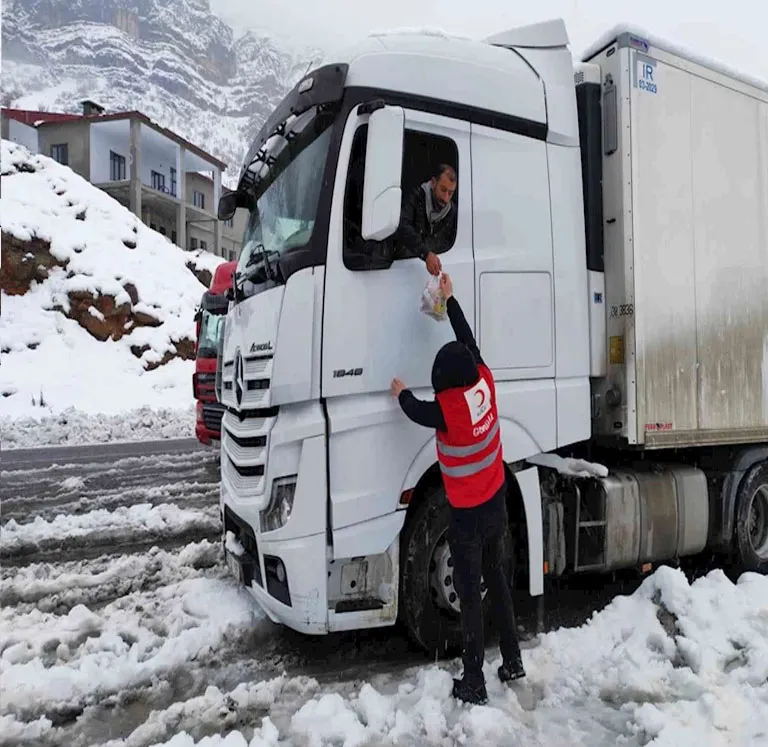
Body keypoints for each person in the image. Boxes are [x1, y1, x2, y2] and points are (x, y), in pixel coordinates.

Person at [390, 272, 525, 705]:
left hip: (466, 517)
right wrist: (450, 302)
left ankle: (474, 682)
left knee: (469, 597)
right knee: (498, 581)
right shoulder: (484, 381)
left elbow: (416, 410)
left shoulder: (448, 411)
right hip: (496, 504)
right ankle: (513, 659)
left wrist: (400, 393)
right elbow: (468, 341)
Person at [397, 164, 458, 276]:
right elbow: (403, 226)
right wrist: (426, 253)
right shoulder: (416, 197)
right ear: (433, 182)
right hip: (405, 268)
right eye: (443, 190)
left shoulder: (452, 212)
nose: (446, 198)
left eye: (450, 193)